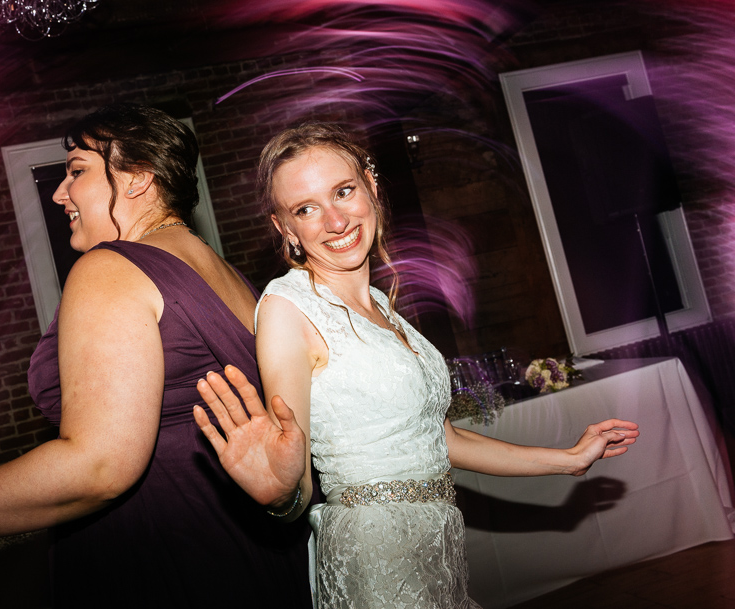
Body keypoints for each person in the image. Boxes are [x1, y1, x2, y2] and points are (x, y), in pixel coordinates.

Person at [0, 104, 313, 608]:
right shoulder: (231, 275)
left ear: (139, 178)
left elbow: (99, 465)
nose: (60, 192)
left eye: (77, 170)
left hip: (163, 558)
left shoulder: (112, 267)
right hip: (244, 552)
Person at [193, 123, 640, 608]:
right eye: (306, 209)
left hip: (437, 547)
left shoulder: (382, 306)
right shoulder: (287, 308)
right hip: (375, 558)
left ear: (371, 185)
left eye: (343, 191)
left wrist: (568, 460)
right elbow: (292, 478)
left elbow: (441, 440)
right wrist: (281, 498)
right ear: (286, 228)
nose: (335, 221)